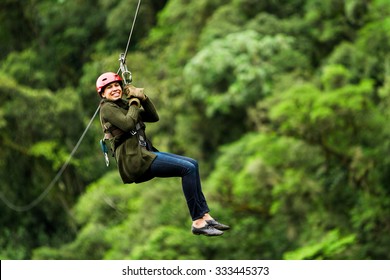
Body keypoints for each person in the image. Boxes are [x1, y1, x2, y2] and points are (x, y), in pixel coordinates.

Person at [96, 72, 230, 236]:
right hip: (135, 161)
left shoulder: (123, 105)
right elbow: (128, 124)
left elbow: (154, 117)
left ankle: (205, 216)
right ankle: (198, 222)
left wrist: (143, 98)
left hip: (144, 154)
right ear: (103, 94)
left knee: (192, 164)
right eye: (109, 88)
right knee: (187, 169)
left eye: (116, 85)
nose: (115, 89)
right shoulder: (107, 109)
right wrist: (134, 101)